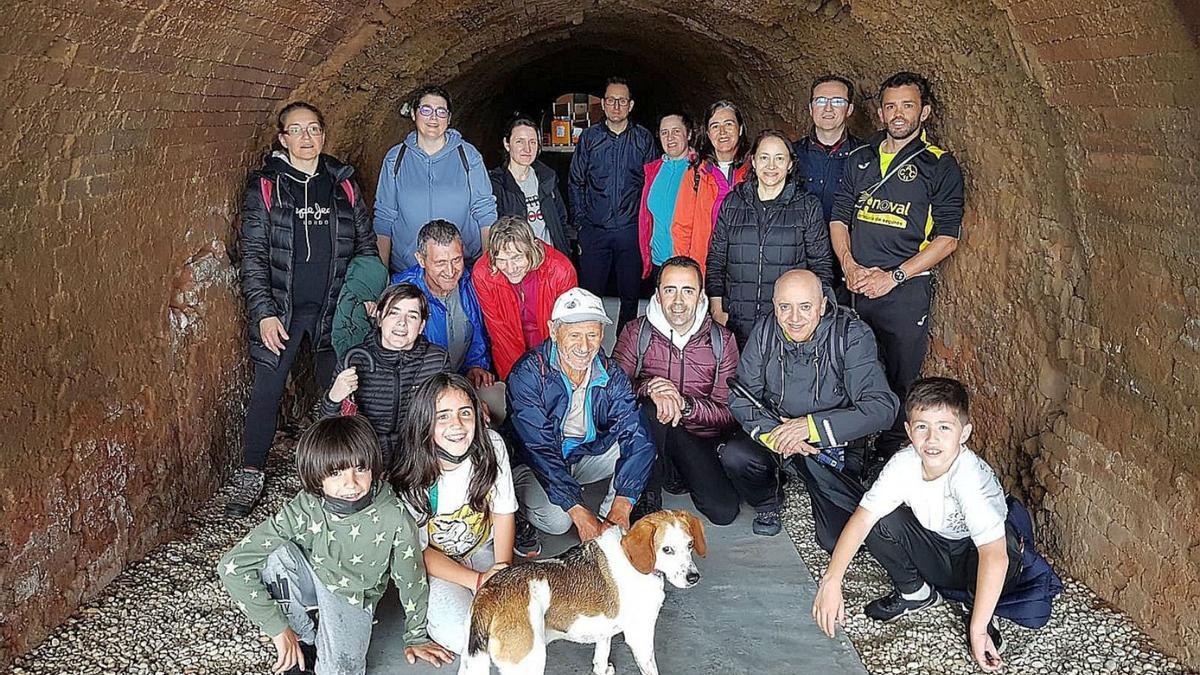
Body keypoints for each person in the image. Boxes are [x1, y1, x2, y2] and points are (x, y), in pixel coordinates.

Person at [812, 378, 1062, 673]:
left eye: (944, 427)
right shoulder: (903, 465)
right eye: (922, 427)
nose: (932, 439)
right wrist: (831, 581)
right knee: (880, 518)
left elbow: (994, 556)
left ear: (964, 432)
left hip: (977, 558)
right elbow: (863, 518)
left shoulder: (970, 478)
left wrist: (978, 632)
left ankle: (979, 610)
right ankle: (914, 592)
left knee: (1004, 544)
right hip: (937, 548)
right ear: (908, 431)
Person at [229, 101, 379, 519]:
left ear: (323, 135)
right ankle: (251, 471)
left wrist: (367, 293)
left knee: (340, 388)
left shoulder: (342, 184)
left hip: (335, 305)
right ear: (283, 139)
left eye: (313, 129)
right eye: (297, 131)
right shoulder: (267, 186)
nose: (307, 138)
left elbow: (365, 246)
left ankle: (336, 473)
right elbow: (254, 255)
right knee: (268, 388)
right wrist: (263, 313)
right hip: (284, 307)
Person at [218, 416, 453, 674]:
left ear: (373, 467)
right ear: (316, 476)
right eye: (335, 472)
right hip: (312, 573)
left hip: (352, 594)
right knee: (275, 555)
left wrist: (416, 635)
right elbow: (233, 564)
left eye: (360, 469)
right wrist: (277, 628)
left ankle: (324, 636)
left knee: (340, 670)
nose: (350, 483)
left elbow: (411, 576)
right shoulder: (305, 507)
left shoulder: (394, 514)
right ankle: (303, 640)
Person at [830, 71, 964, 463]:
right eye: (891, 106)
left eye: (908, 106)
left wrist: (894, 277)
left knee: (900, 374)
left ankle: (886, 455)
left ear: (925, 112)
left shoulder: (939, 165)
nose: (898, 114)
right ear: (880, 111)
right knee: (850, 366)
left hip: (904, 290)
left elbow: (947, 237)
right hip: (857, 284)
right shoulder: (860, 158)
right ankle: (851, 449)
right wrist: (849, 265)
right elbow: (839, 217)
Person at [721, 270, 897, 539]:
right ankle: (767, 501)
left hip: (832, 442)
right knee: (735, 455)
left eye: (805, 307)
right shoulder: (765, 332)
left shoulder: (851, 335)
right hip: (778, 431)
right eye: (785, 307)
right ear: (775, 306)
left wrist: (809, 428)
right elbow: (740, 395)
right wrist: (776, 435)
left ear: (823, 305)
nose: (794, 318)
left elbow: (882, 408)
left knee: (836, 538)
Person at [506, 287, 656, 555]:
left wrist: (621, 506)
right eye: (574, 335)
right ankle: (515, 504)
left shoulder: (611, 374)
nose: (585, 347)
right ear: (554, 331)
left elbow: (637, 437)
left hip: (582, 455)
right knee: (558, 520)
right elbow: (538, 450)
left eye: (592, 335)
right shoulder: (529, 374)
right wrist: (577, 510)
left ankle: (612, 523)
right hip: (535, 463)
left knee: (640, 439)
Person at [392, 373, 517, 655]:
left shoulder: (492, 446)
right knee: (467, 639)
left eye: (465, 413)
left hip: (483, 546)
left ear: (477, 413)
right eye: (443, 417)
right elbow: (419, 552)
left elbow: (503, 512)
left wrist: (501, 570)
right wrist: (477, 581)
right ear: (424, 422)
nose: (457, 425)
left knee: (511, 622)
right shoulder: (414, 475)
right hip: (438, 563)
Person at [612, 256, 741, 526]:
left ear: (701, 295)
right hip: (648, 432)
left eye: (688, 290)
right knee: (650, 406)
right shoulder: (637, 332)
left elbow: (729, 413)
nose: (678, 301)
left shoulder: (721, 340)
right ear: (657, 295)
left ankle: (676, 470)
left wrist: (685, 405)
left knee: (724, 512)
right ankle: (647, 492)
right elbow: (613, 390)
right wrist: (650, 387)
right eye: (670, 290)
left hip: (695, 436)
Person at [706, 130, 834, 346]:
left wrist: (809, 317)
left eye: (779, 158)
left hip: (786, 322)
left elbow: (821, 266)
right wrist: (717, 308)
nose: (771, 166)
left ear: (790, 164)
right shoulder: (733, 202)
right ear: (753, 162)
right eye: (764, 157)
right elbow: (717, 258)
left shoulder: (807, 206)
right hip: (736, 321)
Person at [321, 283, 450, 468]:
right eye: (393, 313)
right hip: (368, 457)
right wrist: (334, 397)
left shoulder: (436, 360)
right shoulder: (355, 359)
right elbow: (327, 426)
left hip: (418, 456)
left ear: (421, 326)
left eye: (412, 316)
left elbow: (448, 413)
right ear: (380, 318)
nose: (402, 323)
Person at [374, 84, 497, 273]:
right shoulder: (395, 158)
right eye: (426, 110)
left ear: (448, 119)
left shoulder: (468, 155)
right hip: (409, 269)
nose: (433, 117)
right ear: (414, 115)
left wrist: (488, 267)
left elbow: (485, 210)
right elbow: (384, 217)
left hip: (459, 268)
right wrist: (380, 273)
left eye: (441, 111)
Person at [569, 77, 657, 332]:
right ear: (603, 105)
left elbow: (651, 184)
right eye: (610, 100)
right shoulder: (589, 138)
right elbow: (576, 181)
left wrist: (645, 226)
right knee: (590, 294)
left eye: (621, 101)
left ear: (630, 105)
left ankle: (626, 347)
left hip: (630, 230)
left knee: (630, 294)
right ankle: (588, 344)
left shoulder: (643, 139)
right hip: (595, 230)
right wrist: (581, 224)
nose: (616, 106)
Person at [391, 220, 494, 391]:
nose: (450, 271)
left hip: (462, 379)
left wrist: (476, 365)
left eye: (456, 260)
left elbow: (478, 333)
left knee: (496, 397)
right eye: (440, 263)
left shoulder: (471, 282)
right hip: (421, 389)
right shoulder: (402, 291)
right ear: (421, 260)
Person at [472, 215, 577, 380]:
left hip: (553, 350)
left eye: (516, 258)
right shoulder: (482, 273)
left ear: (532, 249)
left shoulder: (560, 270)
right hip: (510, 353)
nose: (510, 268)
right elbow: (499, 333)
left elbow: (567, 329)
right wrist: (518, 378)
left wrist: (550, 374)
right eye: (501, 260)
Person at [793, 75, 864, 301]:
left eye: (838, 101)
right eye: (821, 101)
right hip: (800, 260)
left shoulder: (866, 157)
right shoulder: (791, 156)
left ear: (850, 109)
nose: (829, 109)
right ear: (811, 107)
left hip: (850, 264)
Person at [488, 117, 573, 256]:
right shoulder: (496, 185)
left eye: (532, 142)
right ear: (507, 144)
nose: (527, 148)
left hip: (550, 261)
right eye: (519, 141)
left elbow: (561, 220)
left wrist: (565, 251)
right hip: (518, 264)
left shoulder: (547, 178)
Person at [637, 112, 695, 278]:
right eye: (664, 132)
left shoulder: (700, 170)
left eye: (676, 131)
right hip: (658, 262)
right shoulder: (654, 170)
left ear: (689, 134)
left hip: (688, 264)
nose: (670, 137)